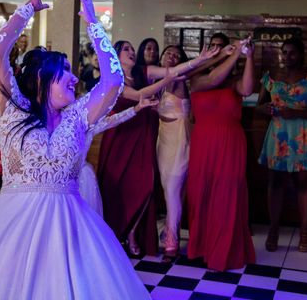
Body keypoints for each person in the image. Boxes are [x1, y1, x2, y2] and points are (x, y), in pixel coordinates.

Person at [0, 0, 150, 299]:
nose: (73, 78)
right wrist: (25, 10)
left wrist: (94, 23)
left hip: (71, 231)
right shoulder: (13, 110)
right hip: (12, 227)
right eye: (64, 72)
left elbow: (113, 81)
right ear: (41, 78)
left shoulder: (78, 116)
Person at [98, 39, 218, 257]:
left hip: (143, 135)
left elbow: (172, 70)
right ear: (116, 54)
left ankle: (133, 232)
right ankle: (118, 236)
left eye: (133, 48)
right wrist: (167, 80)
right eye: (127, 49)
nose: (132, 51)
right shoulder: (113, 79)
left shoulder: (144, 71)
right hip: (119, 138)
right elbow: (137, 95)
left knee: (145, 186)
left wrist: (199, 60)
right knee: (116, 188)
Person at [187, 35, 256, 271]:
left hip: (230, 143)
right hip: (204, 143)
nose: (219, 51)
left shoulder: (233, 82)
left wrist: (249, 57)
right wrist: (232, 53)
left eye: (221, 47)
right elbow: (213, 77)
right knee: (201, 193)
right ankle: (203, 246)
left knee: (227, 194)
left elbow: (247, 88)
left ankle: (225, 250)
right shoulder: (196, 78)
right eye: (214, 48)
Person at [256, 37, 307, 253]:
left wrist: (295, 112)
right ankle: (273, 230)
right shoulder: (270, 77)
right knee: (275, 183)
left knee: (303, 183)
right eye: (284, 52)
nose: (287, 56)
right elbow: (258, 106)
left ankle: (305, 231)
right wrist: (264, 109)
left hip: (302, 134)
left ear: (301, 54)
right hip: (278, 135)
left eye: (292, 52)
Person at [80, 96, 158, 216]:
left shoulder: (86, 125)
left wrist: (136, 108)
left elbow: (113, 120)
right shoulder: (46, 125)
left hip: (81, 180)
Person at [155, 44, 192, 261]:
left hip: (179, 139)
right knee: (168, 189)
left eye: (177, 56)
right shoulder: (160, 84)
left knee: (172, 189)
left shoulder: (178, 80)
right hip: (163, 139)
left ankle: (171, 243)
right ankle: (173, 231)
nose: (172, 57)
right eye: (168, 53)